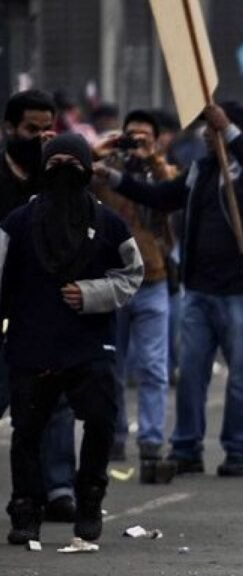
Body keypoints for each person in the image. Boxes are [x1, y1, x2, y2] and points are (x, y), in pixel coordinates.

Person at [97, 102, 243, 477]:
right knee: (191, 372)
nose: (203, 135)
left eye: (211, 129)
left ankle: (239, 451)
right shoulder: (200, 169)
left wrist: (229, 130)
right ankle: (186, 447)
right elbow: (164, 196)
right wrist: (114, 178)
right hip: (200, 288)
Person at [2, 133, 143, 544]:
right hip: (31, 343)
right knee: (27, 431)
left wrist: (92, 293)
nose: (63, 167)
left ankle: (89, 502)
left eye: (71, 160)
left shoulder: (110, 224)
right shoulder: (17, 223)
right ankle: (26, 512)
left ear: (85, 168)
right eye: (55, 159)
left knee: (100, 423)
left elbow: (130, 276)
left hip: (89, 343)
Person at [0, 89, 80, 523]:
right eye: (32, 130)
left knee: (56, 401)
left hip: (45, 310)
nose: (40, 139)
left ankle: (59, 488)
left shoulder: (57, 180)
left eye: (48, 130)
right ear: (9, 130)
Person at [93, 109, 178, 463]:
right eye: (131, 136)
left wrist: (150, 158)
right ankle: (114, 436)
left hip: (153, 278)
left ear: (157, 141)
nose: (136, 142)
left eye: (144, 136)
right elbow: (81, 185)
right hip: (113, 279)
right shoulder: (104, 171)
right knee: (111, 366)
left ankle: (151, 440)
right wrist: (99, 152)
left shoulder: (164, 171)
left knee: (154, 368)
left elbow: (171, 194)